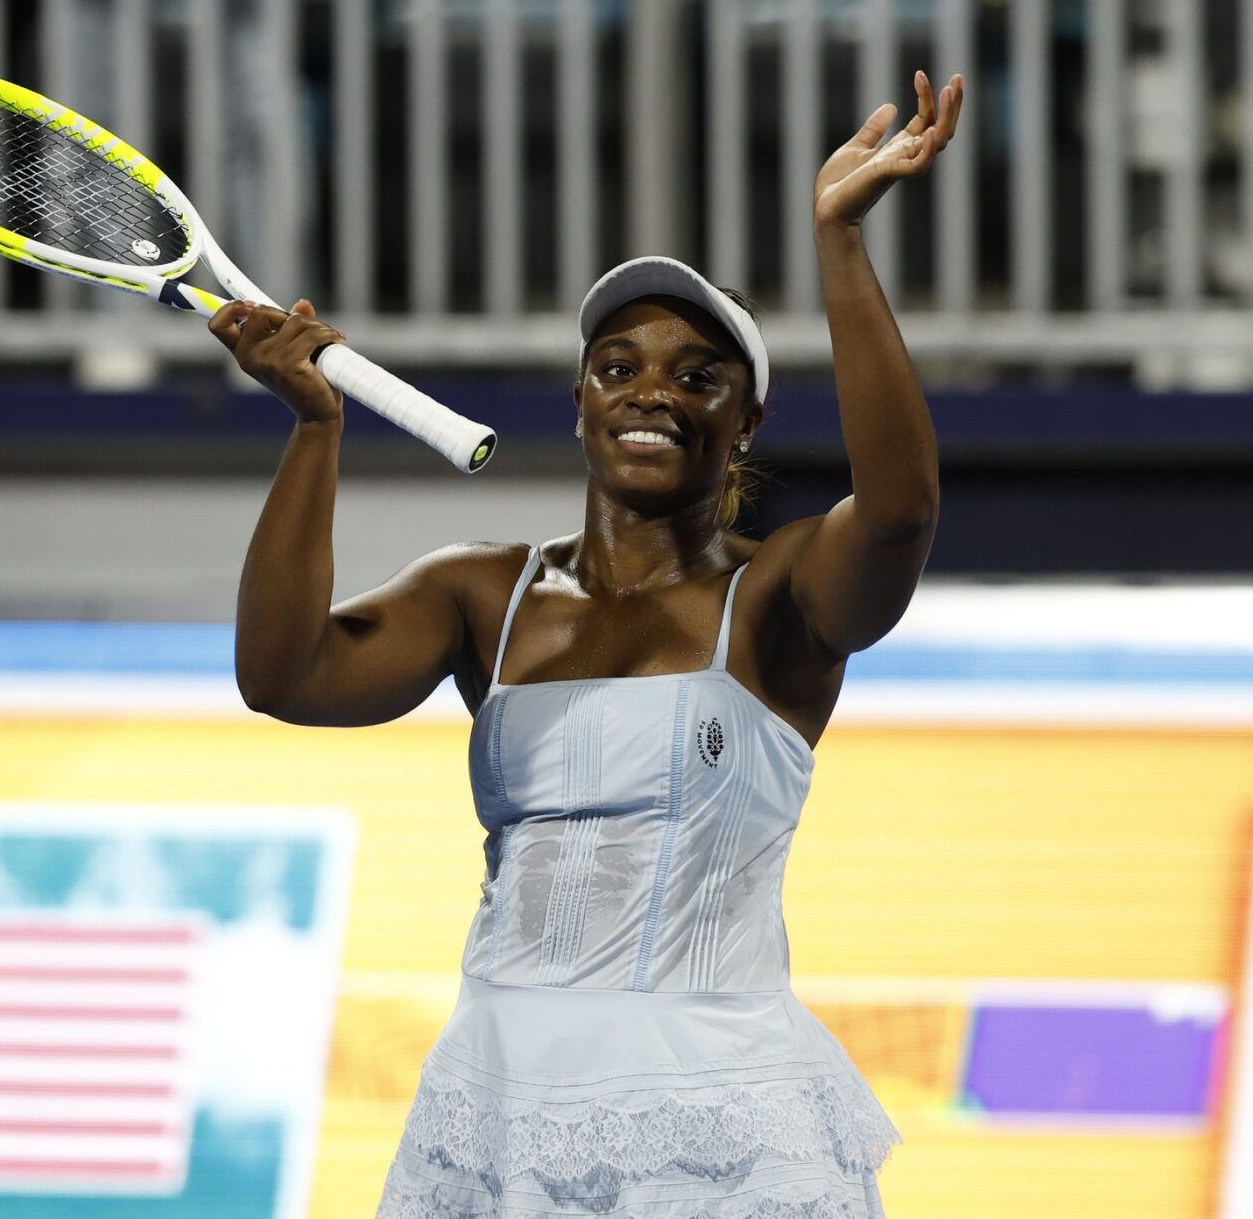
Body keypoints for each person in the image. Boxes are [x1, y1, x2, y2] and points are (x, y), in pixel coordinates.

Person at [210, 69, 964, 1217]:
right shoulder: (480, 593)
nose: (651, 392)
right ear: (580, 401)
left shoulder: (779, 595)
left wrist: (839, 240)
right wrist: (317, 431)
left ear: (746, 419)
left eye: (698, 376)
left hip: (723, 1120)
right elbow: (284, 676)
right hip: (497, 1110)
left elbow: (901, 508)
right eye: (619, 368)